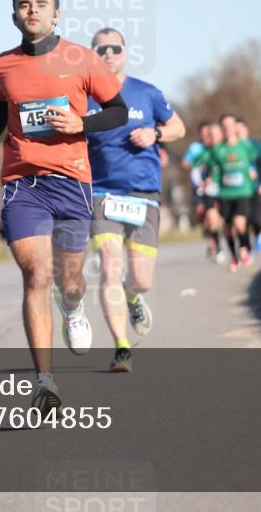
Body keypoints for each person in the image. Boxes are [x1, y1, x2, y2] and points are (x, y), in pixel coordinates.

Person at [0, 0, 128, 414]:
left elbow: (116, 112)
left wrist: (82, 124)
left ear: (56, 13)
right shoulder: (3, 65)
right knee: (36, 274)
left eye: (41, 3)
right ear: (14, 16)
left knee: (69, 279)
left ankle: (74, 308)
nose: (33, 10)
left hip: (72, 181)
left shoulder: (81, 58)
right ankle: (45, 380)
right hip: (22, 183)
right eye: (24, 5)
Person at [86, 27, 185, 373]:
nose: (109, 54)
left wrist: (155, 133)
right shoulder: (83, 98)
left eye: (115, 48)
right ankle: (122, 347)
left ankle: (133, 297)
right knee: (111, 266)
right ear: (92, 55)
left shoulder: (147, 93)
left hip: (144, 194)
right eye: (101, 49)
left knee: (142, 279)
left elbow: (179, 128)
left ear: (125, 52)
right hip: (100, 192)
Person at [203, 114, 259, 272]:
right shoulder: (218, 149)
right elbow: (213, 169)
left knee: (240, 223)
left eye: (230, 125)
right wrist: (210, 180)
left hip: (243, 192)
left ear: (236, 127)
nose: (227, 128)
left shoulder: (245, 146)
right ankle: (235, 257)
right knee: (227, 228)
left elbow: (256, 160)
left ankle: (245, 248)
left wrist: (254, 171)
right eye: (224, 125)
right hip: (225, 194)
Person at [182, 122, 220, 260]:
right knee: (201, 212)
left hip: (212, 187)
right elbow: (185, 163)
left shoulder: (215, 148)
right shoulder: (195, 148)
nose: (205, 136)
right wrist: (194, 165)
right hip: (197, 187)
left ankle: (214, 242)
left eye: (207, 134)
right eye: (202, 134)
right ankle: (210, 235)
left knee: (213, 216)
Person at [236, 118, 261, 252]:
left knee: (257, 218)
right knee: (244, 219)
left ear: (246, 129)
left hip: (255, 186)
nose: (238, 131)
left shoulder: (256, 146)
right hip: (240, 189)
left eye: (240, 128)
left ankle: (258, 234)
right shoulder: (232, 147)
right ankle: (246, 246)